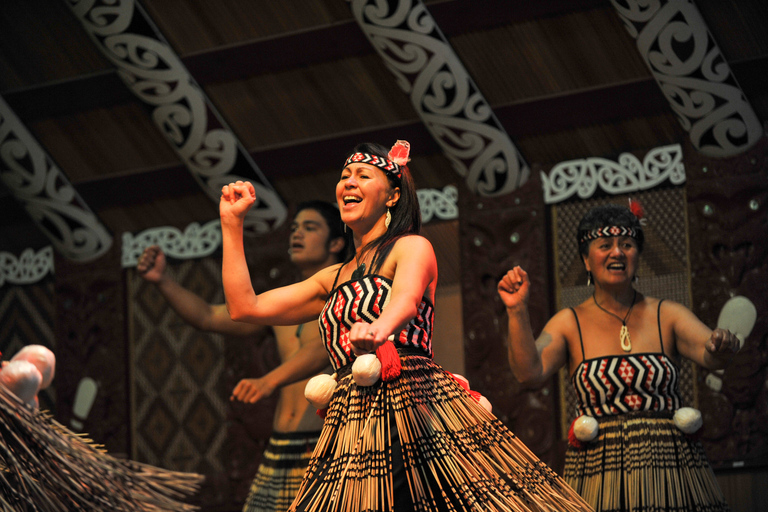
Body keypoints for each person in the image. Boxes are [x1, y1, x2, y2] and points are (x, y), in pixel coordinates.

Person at [219, 140, 592, 512]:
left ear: (393, 195)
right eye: (345, 175)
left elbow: (406, 301)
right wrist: (232, 223)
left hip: (409, 406)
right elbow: (244, 307)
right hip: (349, 416)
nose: (349, 182)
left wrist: (380, 328)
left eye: (363, 175)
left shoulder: (411, 247)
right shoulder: (330, 279)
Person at [498, 202, 735, 512]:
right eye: (605, 245)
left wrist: (720, 344)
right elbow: (528, 371)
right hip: (597, 473)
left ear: (637, 255)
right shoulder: (570, 322)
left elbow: (711, 353)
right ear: (586, 259)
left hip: (671, 472)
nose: (617, 253)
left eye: (627, 244)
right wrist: (517, 310)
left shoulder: (668, 314)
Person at [137, 200, 349, 512]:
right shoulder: (287, 300)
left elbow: (321, 350)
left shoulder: (349, 295)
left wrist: (268, 381)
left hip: (324, 443)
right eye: (294, 228)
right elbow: (209, 316)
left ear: (336, 242)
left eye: (310, 227)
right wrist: (163, 281)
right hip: (280, 447)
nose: (297, 234)